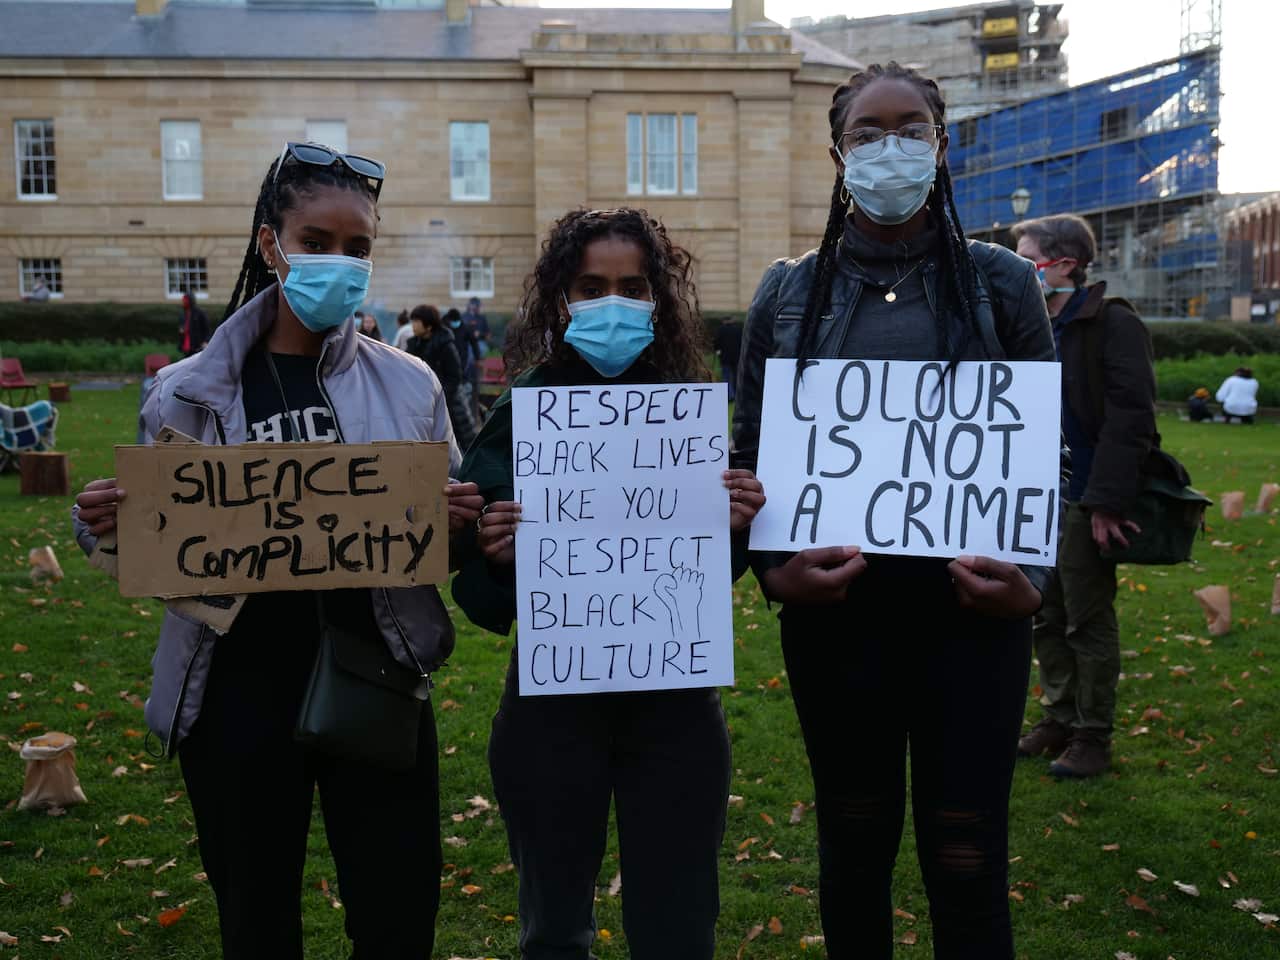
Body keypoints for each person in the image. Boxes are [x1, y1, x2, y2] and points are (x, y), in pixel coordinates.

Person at [70, 142, 485, 959]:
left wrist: (458, 520)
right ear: (271, 246)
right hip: (235, 692)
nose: (339, 262)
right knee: (256, 923)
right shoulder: (186, 390)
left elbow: (443, 539)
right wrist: (105, 528)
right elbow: (161, 553)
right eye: (317, 243)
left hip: (376, 672)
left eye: (358, 248)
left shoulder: (411, 384)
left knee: (397, 917)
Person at [733, 63, 1060, 960]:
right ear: (837, 153)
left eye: (909, 129)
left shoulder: (1002, 286)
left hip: (974, 618)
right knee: (854, 838)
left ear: (942, 144)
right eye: (868, 134)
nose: (890, 148)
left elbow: (1045, 451)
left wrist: (1031, 580)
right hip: (841, 619)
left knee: (966, 851)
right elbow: (751, 452)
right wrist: (774, 571)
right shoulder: (789, 293)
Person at [452, 207, 766, 960]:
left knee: (679, 924)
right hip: (551, 712)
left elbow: (700, 578)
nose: (613, 303)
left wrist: (738, 528)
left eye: (632, 286)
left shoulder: (685, 408)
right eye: (593, 286)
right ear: (561, 298)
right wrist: (493, 553)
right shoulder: (523, 408)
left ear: (659, 298)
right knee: (554, 928)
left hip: (676, 713)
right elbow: (480, 595)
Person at [1011, 213, 1157, 779]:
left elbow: (1131, 419)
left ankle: (1092, 735)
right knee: (1045, 612)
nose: (1020, 270)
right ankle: (1059, 716)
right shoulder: (1032, 324)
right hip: (1033, 493)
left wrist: (1106, 503)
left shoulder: (1112, 323)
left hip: (1084, 494)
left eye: (1028, 259)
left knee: (1086, 618)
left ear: (1063, 264)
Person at [406, 303, 477, 449]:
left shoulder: (446, 345)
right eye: (412, 321)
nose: (413, 326)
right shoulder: (413, 345)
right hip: (422, 402)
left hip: (451, 402)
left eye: (416, 322)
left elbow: (455, 376)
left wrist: (440, 397)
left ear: (429, 326)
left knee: (464, 442)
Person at [447, 307, 481, 418]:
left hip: (463, 360)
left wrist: (477, 357)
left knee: (463, 383)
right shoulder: (445, 327)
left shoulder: (465, 328)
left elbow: (474, 342)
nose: (455, 323)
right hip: (449, 361)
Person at [713, 318, 743, 401]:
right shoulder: (738, 330)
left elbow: (716, 343)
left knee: (726, 377)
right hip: (737, 357)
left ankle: (730, 395)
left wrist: (717, 351)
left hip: (725, 357)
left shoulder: (721, 330)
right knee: (737, 376)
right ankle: (737, 395)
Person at [178, 290, 210, 357]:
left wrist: (205, 341)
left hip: (197, 347)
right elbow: (182, 327)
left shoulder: (200, 313)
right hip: (186, 346)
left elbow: (206, 329)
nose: (183, 301)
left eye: (185, 299)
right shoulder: (183, 313)